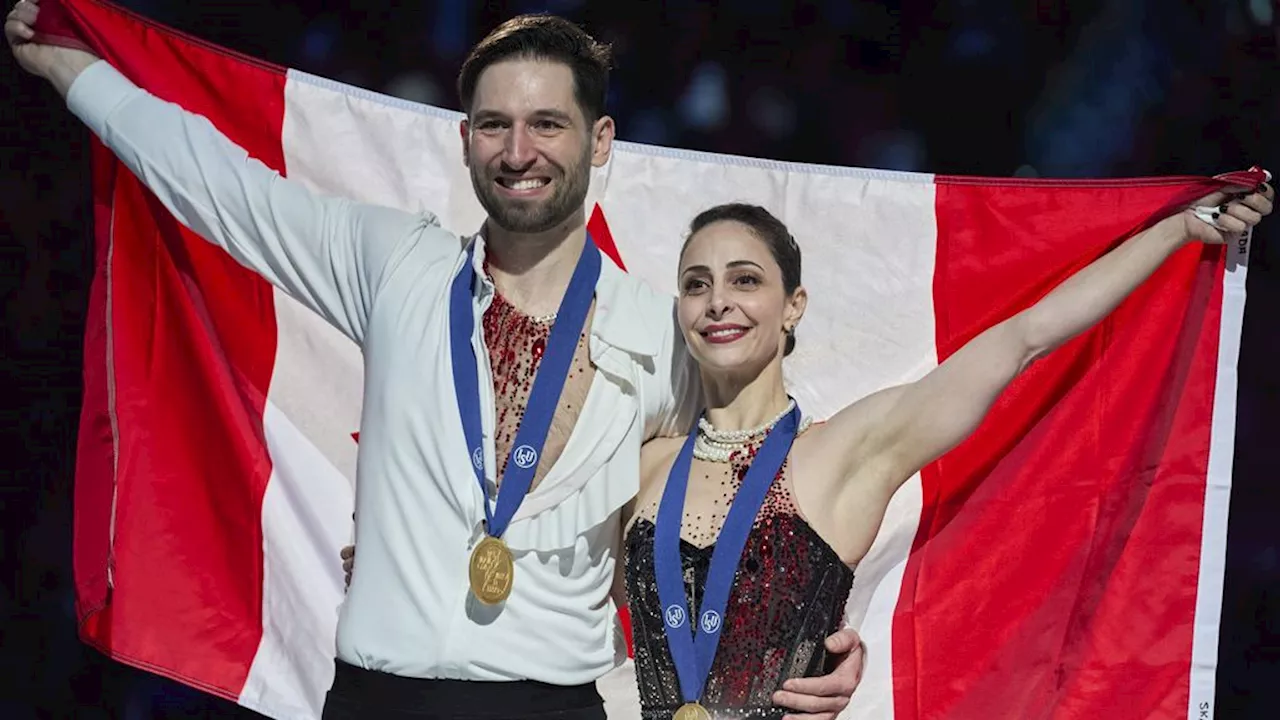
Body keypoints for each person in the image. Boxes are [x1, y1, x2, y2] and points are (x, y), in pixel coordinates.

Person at [5, 2, 864, 718]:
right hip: (378, 698)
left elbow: (759, 464)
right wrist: (76, 74)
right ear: (465, 142)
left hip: (554, 705)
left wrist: (823, 626)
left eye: (547, 125)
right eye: (495, 125)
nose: (518, 151)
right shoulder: (394, 266)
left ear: (600, 141)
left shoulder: (660, 331)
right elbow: (222, 186)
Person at [612, 192, 1270, 719]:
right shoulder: (644, 468)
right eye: (697, 285)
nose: (718, 300)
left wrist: (1176, 230)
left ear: (793, 307)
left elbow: (1024, 340)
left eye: (745, 279)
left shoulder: (846, 450)